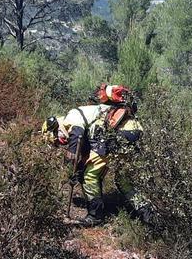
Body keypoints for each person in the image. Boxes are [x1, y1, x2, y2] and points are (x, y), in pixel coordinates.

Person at [42, 84, 144, 225]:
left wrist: (70, 166)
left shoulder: (71, 117)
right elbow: (86, 153)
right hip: (134, 132)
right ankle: (149, 214)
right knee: (123, 179)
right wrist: (77, 169)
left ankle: (95, 216)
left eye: (57, 139)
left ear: (55, 128)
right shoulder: (86, 120)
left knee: (89, 175)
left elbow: (76, 137)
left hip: (119, 134)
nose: (61, 142)